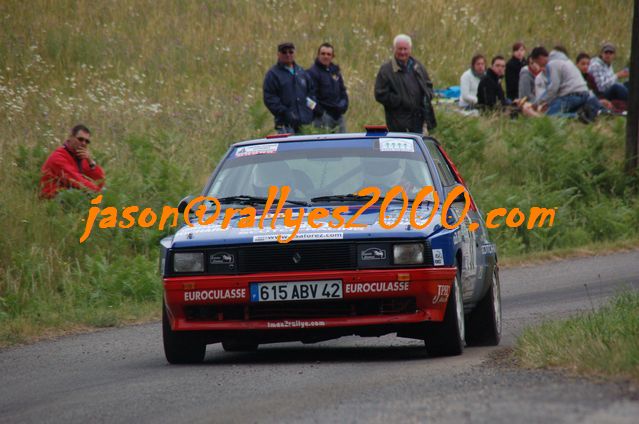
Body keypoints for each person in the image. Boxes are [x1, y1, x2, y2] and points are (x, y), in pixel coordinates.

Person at [374, 34, 436, 133]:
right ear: (394, 49)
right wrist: (400, 100)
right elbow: (380, 94)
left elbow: (428, 85)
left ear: (410, 49)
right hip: (398, 123)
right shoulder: (386, 70)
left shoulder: (418, 66)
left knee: (418, 147)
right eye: (400, 49)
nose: (402, 52)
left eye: (405, 49)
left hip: (419, 120)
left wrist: (428, 96)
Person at [532, 46, 604, 118]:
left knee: (549, 115)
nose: (538, 65)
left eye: (536, 62)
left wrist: (537, 103)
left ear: (540, 58)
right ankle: (587, 112)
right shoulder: (566, 61)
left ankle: (579, 116)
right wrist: (548, 102)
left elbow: (553, 88)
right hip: (584, 93)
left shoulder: (552, 64)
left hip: (571, 95)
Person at [263, 42, 318, 134]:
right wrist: (284, 112)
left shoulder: (301, 72)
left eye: (290, 52)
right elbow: (269, 98)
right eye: (284, 52)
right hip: (285, 125)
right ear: (278, 54)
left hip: (305, 123)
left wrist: (312, 109)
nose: (288, 55)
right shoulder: (273, 74)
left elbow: (311, 92)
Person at [40, 124, 105, 199]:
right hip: (53, 197)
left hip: (71, 194)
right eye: (80, 139)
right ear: (71, 137)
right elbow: (75, 180)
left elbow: (100, 182)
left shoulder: (81, 157)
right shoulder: (58, 157)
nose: (83, 143)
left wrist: (91, 163)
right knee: (84, 195)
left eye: (87, 141)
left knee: (103, 191)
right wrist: (98, 193)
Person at [307, 43, 349, 133]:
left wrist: (343, 105)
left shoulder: (335, 71)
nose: (325, 56)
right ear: (318, 55)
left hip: (338, 115)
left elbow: (343, 91)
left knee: (343, 144)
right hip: (322, 117)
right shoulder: (312, 73)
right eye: (323, 53)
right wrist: (319, 111)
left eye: (328, 54)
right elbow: (308, 97)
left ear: (332, 56)